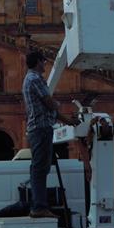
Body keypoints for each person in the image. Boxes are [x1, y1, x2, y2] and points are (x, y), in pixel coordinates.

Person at [22, 50, 78, 218]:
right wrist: (57, 105)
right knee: (40, 168)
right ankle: (39, 207)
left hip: (40, 128)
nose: (45, 64)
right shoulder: (35, 79)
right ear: (38, 62)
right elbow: (49, 103)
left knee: (40, 167)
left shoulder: (31, 79)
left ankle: (39, 205)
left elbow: (49, 110)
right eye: (43, 61)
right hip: (41, 129)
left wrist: (68, 121)